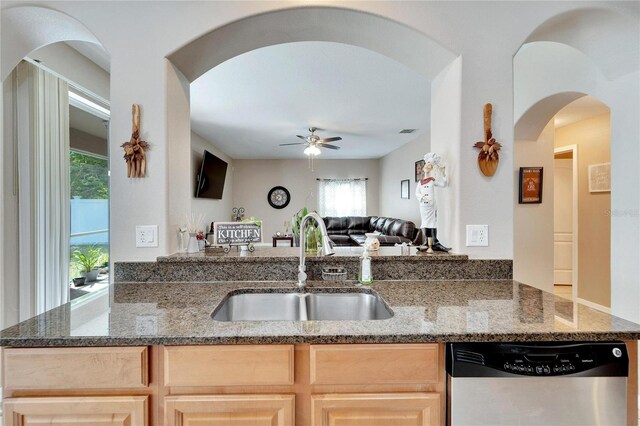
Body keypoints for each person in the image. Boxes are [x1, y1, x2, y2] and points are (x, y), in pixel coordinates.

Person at [415, 152, 450, 252]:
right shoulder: (420, 183)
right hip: (423, 206)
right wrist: (422, 197)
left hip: (431, 206)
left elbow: (444, 184)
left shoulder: (432, 181)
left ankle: (435, 242)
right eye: (427, 165)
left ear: (431, 168)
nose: (427, 167)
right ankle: (427, 242)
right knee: (425, 223)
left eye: (429, 165)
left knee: (433, 223)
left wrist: (443, 173)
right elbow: (417, 193)